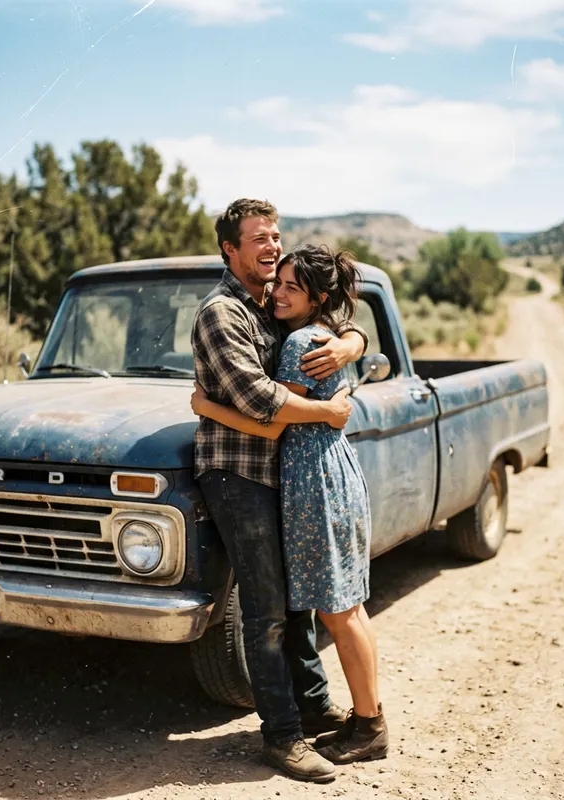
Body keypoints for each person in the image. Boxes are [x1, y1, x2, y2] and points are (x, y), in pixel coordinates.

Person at [191, 199, 369, 783]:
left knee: (296, 604)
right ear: (230, 250)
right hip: (239, 473)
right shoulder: (223, 313)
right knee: (266, 608)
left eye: (275, 235)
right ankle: (283, 737)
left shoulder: (271, 303)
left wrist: (352, 341)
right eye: (258, 239)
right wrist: (325, 411)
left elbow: (328, 326)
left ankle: (313, 705)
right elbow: (258, 400)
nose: (271, 246)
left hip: (281, 473)